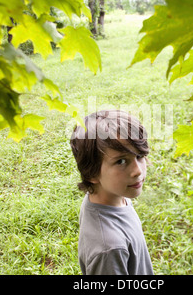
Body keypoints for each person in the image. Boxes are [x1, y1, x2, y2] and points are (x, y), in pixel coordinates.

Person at [70, 110, 154, 275]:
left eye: (140, 156)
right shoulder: (109, 249)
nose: (138, 171)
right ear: (91, 173)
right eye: (121, 161)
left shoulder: (109, 197)